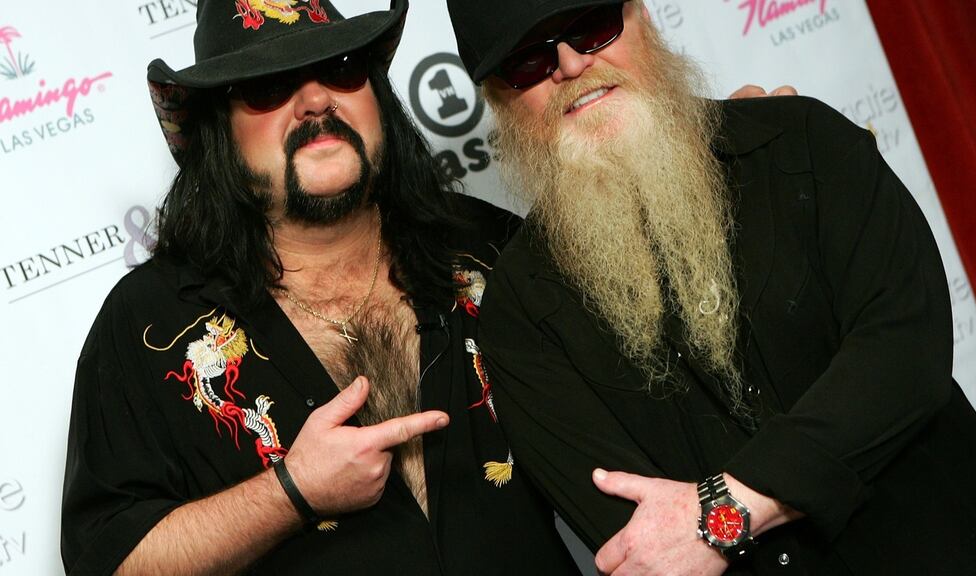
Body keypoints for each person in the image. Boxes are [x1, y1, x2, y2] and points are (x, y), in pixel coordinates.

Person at [444, 0, 976, 574]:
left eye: (590, 28)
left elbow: (904, 353)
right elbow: (642, 542)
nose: (570, 66)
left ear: (642, 18)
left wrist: (727, 508)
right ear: (499, 100)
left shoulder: (804, 143)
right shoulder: (521, 316)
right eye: (527, 62)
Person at [59, 1, 584, 574]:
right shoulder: (150, 323)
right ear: (220, 130)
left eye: (340, 68)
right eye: (268, 86)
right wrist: (291, 492)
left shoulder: (493, 250)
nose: (315, 100)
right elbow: (107, 560)